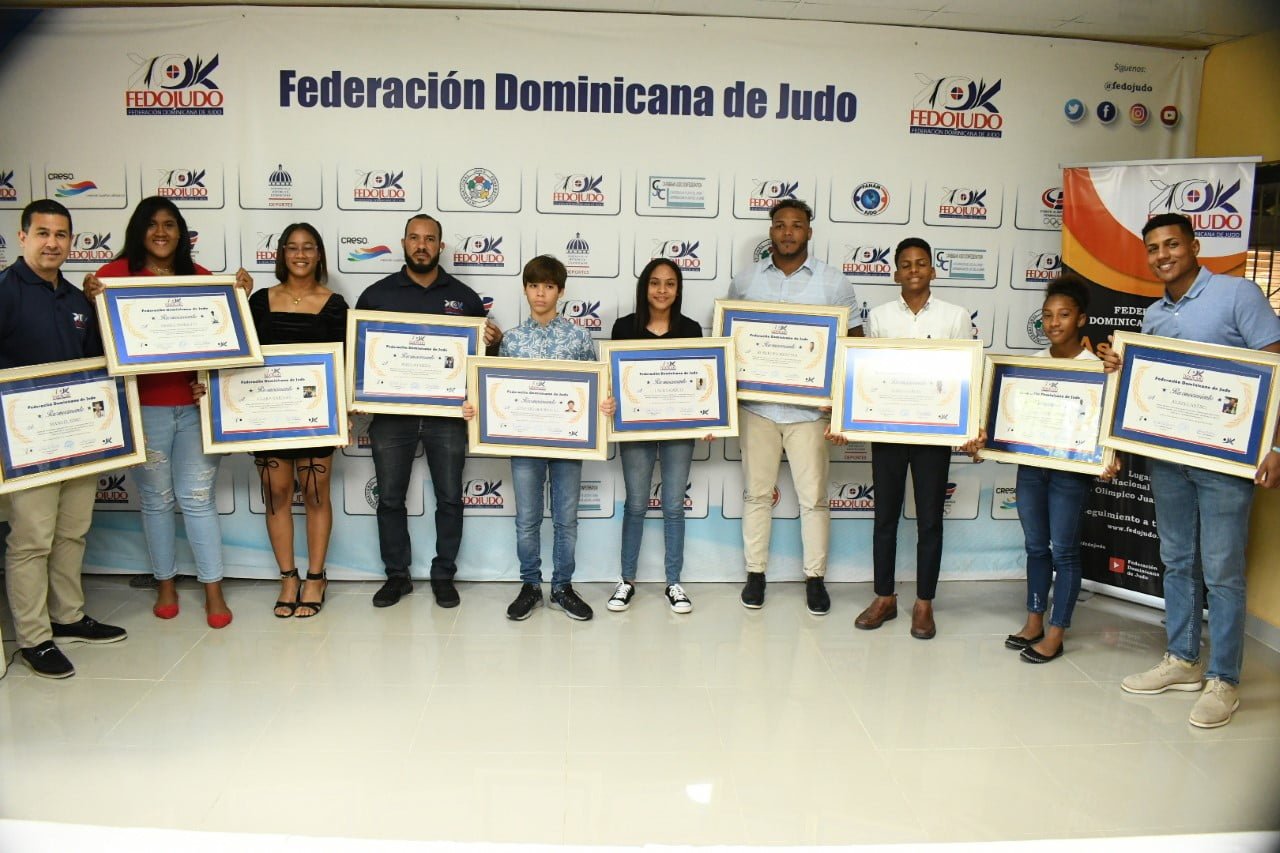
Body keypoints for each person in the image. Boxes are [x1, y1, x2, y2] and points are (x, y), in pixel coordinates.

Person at [1099, 212, 1280, 728]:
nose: (1163, 255)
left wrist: (1276, 446)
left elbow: (1276, 367)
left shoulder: (1238, 295)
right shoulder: (1154, 315)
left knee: (1222, 571)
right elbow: (1150, 385)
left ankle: (1224, 680)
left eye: (1172, 244)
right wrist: (1121, 367)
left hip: (1226, 462)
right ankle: (1182, 660)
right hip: (1167, 459)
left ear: (1195, 246)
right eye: (1153, 248)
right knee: (1177, 560)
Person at [85, 195, 252, 630]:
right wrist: (91, 299)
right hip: (144, 409)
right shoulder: (112, 277)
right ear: (138, 231)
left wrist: (238, 298)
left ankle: (213, 588)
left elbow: (222, 345)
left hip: (194, 409)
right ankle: (165, 584)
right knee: (156, 501)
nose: (161, 232)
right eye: (152, 224)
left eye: (170, 224)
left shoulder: (201, 278)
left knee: (198, 500)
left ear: (181, 233)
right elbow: (98, 343)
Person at [1, 199, 127, 678]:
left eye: (61, 235)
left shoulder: (78, 300)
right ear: (22, 237)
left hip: (77, 440)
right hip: (25, 445)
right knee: (32, 539)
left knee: (72, 531)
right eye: (42, 233)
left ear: (71, 241)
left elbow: (97, 369)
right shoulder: (5, 292)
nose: (52, 243)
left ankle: (68, 616)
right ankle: (35, 638)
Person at [354, 214, 501, 609]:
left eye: (430, 239)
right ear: (404, 242)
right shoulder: (375, 296)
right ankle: (397, 577)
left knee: (450, 498)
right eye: (415, 238)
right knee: (389, 499)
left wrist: (493, 343)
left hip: (447, 417)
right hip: (391, 417)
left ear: (441, 246)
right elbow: (358, 358)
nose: (422, 245)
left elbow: (480, 363)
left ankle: (443, 575)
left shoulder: (465, 299)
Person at [963, 274, 1108, 662]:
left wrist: (1109, 458)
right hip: (1031, 470)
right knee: (1035, 546)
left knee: (1065, 551)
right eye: (1047, 315)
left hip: (1070, 475)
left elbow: (1104, 429)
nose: (1054, 323)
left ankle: (1057, 632)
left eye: (1064, 314)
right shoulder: (1028, 366)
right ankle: (1033, 621)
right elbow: (1008, 421)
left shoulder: (1097, 370)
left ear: (1081, 319)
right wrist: (985, 439)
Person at [728, 199, 858, 615]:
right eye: (780, 225)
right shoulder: (746, 280)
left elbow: (852, 344)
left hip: (810, 412)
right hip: (759, 408)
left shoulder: (834, 283)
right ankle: (755, 575)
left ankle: (815, 578)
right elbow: (730, 340)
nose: (788, 232)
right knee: (756, 495)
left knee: (814, 499)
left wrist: (841, 405)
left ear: (809, 232)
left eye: (796, 225)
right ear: (771, 231)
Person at [463, 255, 597, 621]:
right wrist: (477, 409)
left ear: (561, 291)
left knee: (566, 520)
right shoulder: (512, 341)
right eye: (534, 285)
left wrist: (605, 403)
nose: (541, 293)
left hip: (569, 442)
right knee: (527, 519)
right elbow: (497, 392)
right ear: (525, 289)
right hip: (524, 444)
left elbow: (595, 387)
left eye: (548, 286)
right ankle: (531, 586)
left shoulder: (579, 338)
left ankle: (562, 587)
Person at [854, 237, 971, 640]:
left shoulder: (955, 317)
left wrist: (966, 426)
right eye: (905, 264)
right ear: (895, 274)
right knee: (884, 516)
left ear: (933, 270)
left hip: (934, 433)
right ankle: (884, 597)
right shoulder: (880, 317)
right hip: (887, 430)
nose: (914, 270)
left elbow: (965, 375)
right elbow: (869, 373)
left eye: (921, 263)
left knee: (930, 520)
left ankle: (924, 603)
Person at [248, 223, 348, 618]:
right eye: (292, 247)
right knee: (276, 492)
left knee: (315, 491)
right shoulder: (259, 301)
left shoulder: (335, 305)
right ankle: (288, 577)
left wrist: (345, 411)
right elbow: (239, 355)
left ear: (319, 254)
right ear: (282, 254)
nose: (300, 254)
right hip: (268, 414)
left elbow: (343, 363)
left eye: (308, 247)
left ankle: (316, 577)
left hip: (315, 416)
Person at [600, 257, 706, 614]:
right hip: (636, 428)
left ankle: (674, 582)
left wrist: (710, 417)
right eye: (655, 283)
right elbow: (613, 379)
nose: (662, 290)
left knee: (674, 505)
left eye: (670, 284)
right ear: (645, 287)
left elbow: (700, 381)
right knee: (636, 504)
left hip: (679, 428)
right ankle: (626, 580)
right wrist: (611, 401)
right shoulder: (624, 327)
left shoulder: (691, 329)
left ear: (678, 290)